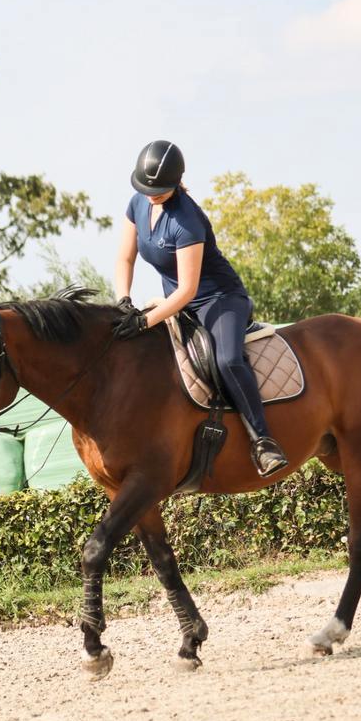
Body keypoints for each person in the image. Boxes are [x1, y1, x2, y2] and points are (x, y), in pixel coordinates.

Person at [112, 139, 288, 478]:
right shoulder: (138, 203)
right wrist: (124, 300)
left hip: (217, 300)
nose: (152, 194)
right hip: (174, 302)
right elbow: (124, 257)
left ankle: (263, 440)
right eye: (146, 187)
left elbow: (188, 290)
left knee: (226, 360)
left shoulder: (187, 219)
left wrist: (146, 321)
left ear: (176, 182)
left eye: (160, 189)